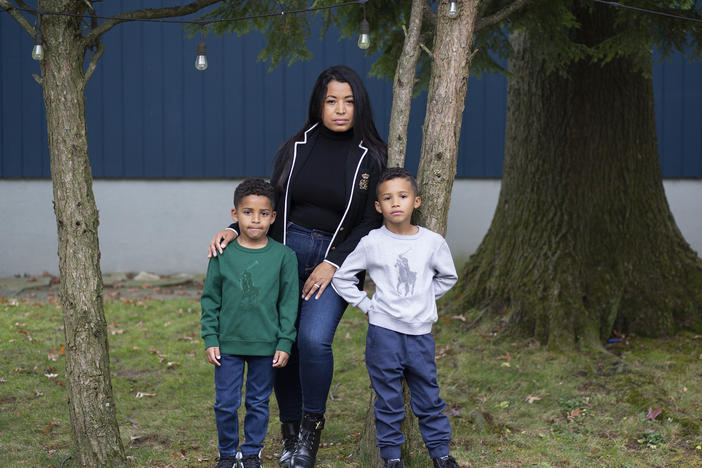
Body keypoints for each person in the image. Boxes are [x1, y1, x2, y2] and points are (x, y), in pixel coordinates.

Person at [207, 65, 387, 468]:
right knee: (280, 343)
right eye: (331, 101)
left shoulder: (371, 157)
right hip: (284, 256)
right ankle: (289, 435)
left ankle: (310, 433)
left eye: (349, 101)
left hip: (333, 261)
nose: (340, 109)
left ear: (359, 106)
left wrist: (334, 264)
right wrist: (236, 227)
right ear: (318, 104)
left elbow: (369, 221)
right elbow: (270, 199)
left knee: (312, 340)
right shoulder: (296, 147)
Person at [331, 168, 460, 468]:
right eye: (387, 198)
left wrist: (426, 298)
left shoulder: (432, 242)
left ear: (416, 201)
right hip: (383, 334)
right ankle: (391, 458)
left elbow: (448, 277)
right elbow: (342, 278)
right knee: (388, 401)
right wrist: (367, 305)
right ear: (379, 207)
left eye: (402, 196)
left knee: (428, 397)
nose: (395, 203)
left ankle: (441, 454)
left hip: (420, 336)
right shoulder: (372, 242)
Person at [201, 178, 299, 468]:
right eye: (247, 212)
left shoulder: (284, 257)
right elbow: (210, 299)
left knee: (258, 403)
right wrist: (211, 338)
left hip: (266, 345)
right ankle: (228, 455)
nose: (255, 219)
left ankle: (252, 453)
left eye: (263, 213)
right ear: (235, 215)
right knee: (225, 404)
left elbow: (289, 303)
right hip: (227, 345)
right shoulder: (222, 254)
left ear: (273, 217)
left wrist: (284, 341)